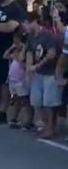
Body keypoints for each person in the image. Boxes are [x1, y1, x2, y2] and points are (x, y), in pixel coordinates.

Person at [27, 11, 64, 139]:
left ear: (33, 22)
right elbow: (30, 52)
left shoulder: (47, 35)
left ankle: (50, 128)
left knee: (50, 102)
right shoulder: (31, 36)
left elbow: (52, 53)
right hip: (38, 74)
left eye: (26, 23)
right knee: (36, 100)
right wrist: (29, 69)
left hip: (50, 73)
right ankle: (44, 124)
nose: (24, 27)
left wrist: (37, 65)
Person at [4, 26, 32, 129]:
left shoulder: (23, 55)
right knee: (16, 99)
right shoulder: (14, 53)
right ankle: (14, 119)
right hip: (13, 80)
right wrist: (11, 47)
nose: (15, 43)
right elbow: (5, 55)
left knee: (25, 100)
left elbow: (21, 60)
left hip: (21, 80)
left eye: (17, 41)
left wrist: (23, 48)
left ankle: (29, 120)